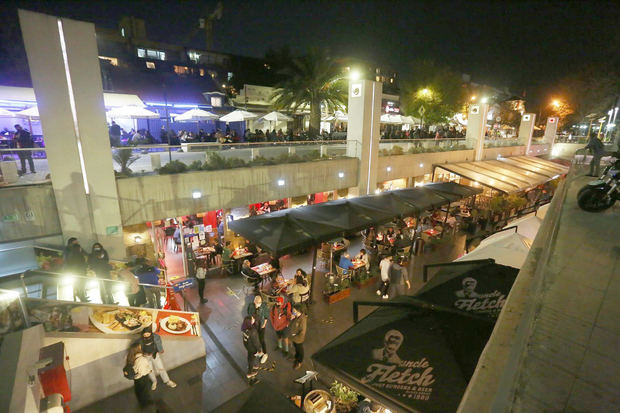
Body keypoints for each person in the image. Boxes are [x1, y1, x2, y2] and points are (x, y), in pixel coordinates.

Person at [126, 342, 153, 407]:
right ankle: (145, 403)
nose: (141, 347)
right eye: (140, 347)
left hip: (137, 378)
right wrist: (149, 371)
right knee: (144, 391)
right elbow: (143, 372)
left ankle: (141, 402)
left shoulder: (131, 357)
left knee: (139, 390)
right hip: (142, 378)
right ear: (137, 349)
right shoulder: (141, 359)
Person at [246, 295, 269, 363]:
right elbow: (249, 313)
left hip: (261, 325)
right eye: (256, 302)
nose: (257, 303)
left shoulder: (264, 307)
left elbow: (266, 317)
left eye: (259, 302)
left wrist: (264, 325)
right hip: (254, 326)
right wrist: (251, 318)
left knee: (261, 340)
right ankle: (258, 351)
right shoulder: (251, 305)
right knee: (255, 339)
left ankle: (265, 353)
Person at [241, 315, 261, 383]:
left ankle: (251, 366)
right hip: (253, 348)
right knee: (252, 358)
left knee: (250, 356)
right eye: (252, 319)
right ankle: (250, 373)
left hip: (248, 346)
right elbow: (256, 342)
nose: (253, 319)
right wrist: (259, 350)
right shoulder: (253, 331)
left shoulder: (244, 328)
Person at [288, 304, 307, 369]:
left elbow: (302, 333)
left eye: (294, 310)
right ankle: (296, 357)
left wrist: (292, 338)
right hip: (293, 338)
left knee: (300, 350)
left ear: (298, 311)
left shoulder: (302, 320)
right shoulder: (296, 316)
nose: (293, 311)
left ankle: (299, 361)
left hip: (298, 339)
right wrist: (292, 319)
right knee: (296, 348)